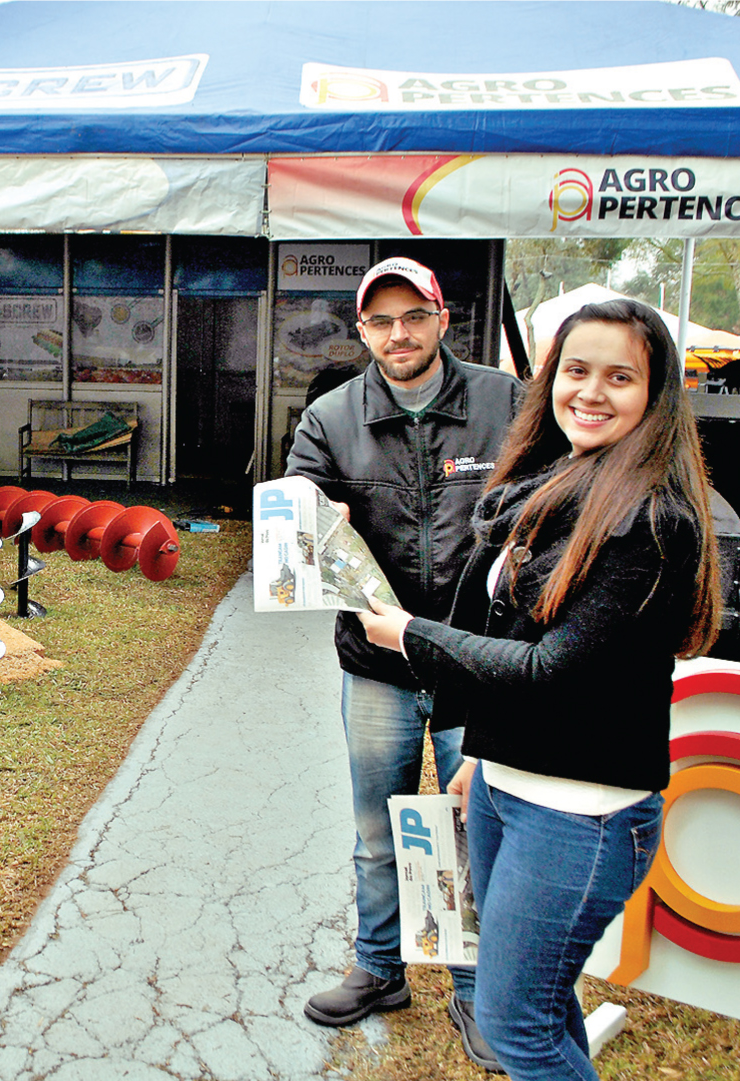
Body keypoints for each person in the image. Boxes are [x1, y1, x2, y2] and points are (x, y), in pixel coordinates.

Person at [357, 299, 722, 1080]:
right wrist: (479, 757)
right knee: (547, 1006)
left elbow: (550, 669)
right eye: (576, 370)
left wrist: (409, 634)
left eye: (620, 376)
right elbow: (515, 633)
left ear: (654, 394)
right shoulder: (557, 479)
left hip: (579, 819)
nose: (590, 392)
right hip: (501, 788)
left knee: (513, 1025)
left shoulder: (654, 520)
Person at [287, 257, 523, 1070]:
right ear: (362, 331)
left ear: (442, 316)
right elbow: (295, 517)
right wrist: (313, 526)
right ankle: (380, 967)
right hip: (379, 661)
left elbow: (548, 504)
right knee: (376, 827)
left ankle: (475, 991)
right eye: (380, 321)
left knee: (472, 829)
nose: (399, 335)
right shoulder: (329, 416)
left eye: (412, 316)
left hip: (475, 661)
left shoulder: (507, 404)